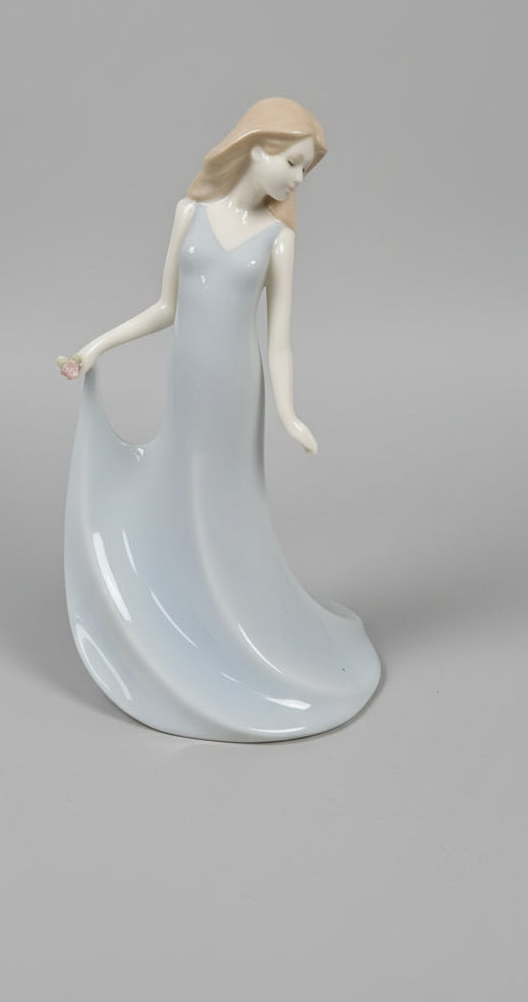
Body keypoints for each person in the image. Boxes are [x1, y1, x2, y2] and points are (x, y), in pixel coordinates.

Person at [59, 98, 381, 741]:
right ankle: (180, 624)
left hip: (235, 393)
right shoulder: (190, 214)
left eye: (306, 171)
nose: (297, 179)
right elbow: (165, 307)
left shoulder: (278, 241)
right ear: (257, 147)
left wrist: (288, 414)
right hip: (187, 386)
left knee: (228, 512)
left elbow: (279, 342)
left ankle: (243, 636)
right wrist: (97, 346)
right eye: (293, 162)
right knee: (182, 494)